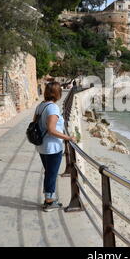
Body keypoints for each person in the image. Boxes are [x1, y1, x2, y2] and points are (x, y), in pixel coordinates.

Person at [34, 82, 76, 212]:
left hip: (42, 146)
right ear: (58, 93)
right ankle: (49, 201)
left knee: (49, 172)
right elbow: (51, 130)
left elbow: (35, 124)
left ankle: (48, 196)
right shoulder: (53, 108)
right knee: (51, 174)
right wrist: (69, 138)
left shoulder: (40, 106)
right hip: (52, 147)